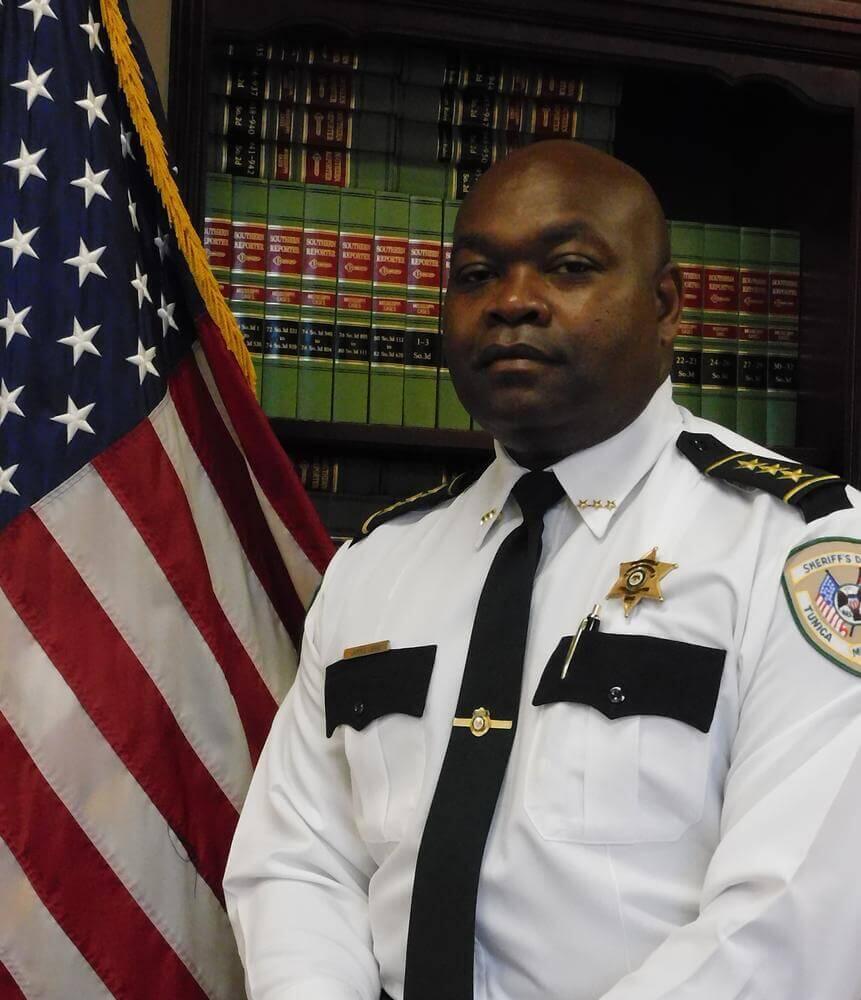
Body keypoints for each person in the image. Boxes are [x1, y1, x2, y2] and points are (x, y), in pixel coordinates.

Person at [224, 140, 861, 1000]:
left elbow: (793, 917)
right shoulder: (375, 564)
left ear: (667, 304)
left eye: (566, 267)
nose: (512, 302)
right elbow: (299, 861)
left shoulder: (797, 548)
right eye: (476, 274)